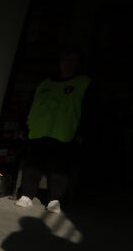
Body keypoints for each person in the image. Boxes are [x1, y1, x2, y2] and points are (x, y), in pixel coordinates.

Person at [15, 50, 90, 214]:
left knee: (59, 168)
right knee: (32, 165)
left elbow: (89, 109)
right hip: (38, 131)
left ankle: (54, 200)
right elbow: (31, 104)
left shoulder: (84, 83)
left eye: (72, 60)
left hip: (64, 132)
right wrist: (24, 127)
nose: (68, 64)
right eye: (66, 59)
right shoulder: (45, 83)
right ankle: (26, 195)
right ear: (60, 62)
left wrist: (82, 132)